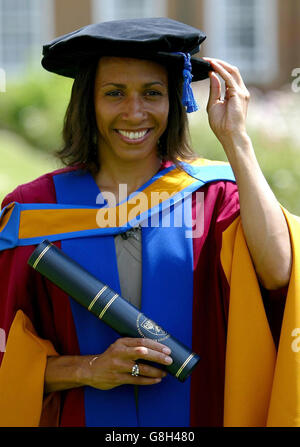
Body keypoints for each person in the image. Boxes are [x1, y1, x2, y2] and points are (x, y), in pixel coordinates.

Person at [0, 17, 299, 428]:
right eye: (114, 93)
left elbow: (281, 273)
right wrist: (87, 368)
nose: (134, 111)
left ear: (174, 102)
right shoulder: (33, 210)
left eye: (152, 93)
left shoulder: (213, 199)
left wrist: (237, 140)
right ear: (89, 102)